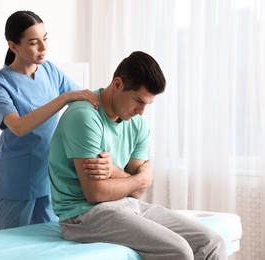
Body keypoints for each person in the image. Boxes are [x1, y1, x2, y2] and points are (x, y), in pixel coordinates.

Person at [48, 51, 227, 259]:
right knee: (179, 251)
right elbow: (96, 193)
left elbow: (135, 193)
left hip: (128, 206)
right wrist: (140, 178)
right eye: (138, 101)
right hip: (82, 216)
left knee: (213, 243)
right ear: (117, 85)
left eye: (147, 104)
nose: (141, 111)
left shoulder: (137, 123)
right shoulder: (85, 117)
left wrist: (116, 172)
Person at [0, 10, 100, 231]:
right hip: (13, 184)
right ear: (13, 46)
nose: (43, 48)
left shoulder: (50, 71)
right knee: (10, 250)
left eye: (45, 39)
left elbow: (85, 100)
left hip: (47, 181)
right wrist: (64, 97)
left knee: (47, 247)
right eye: (34, 42)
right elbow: (18, 127)